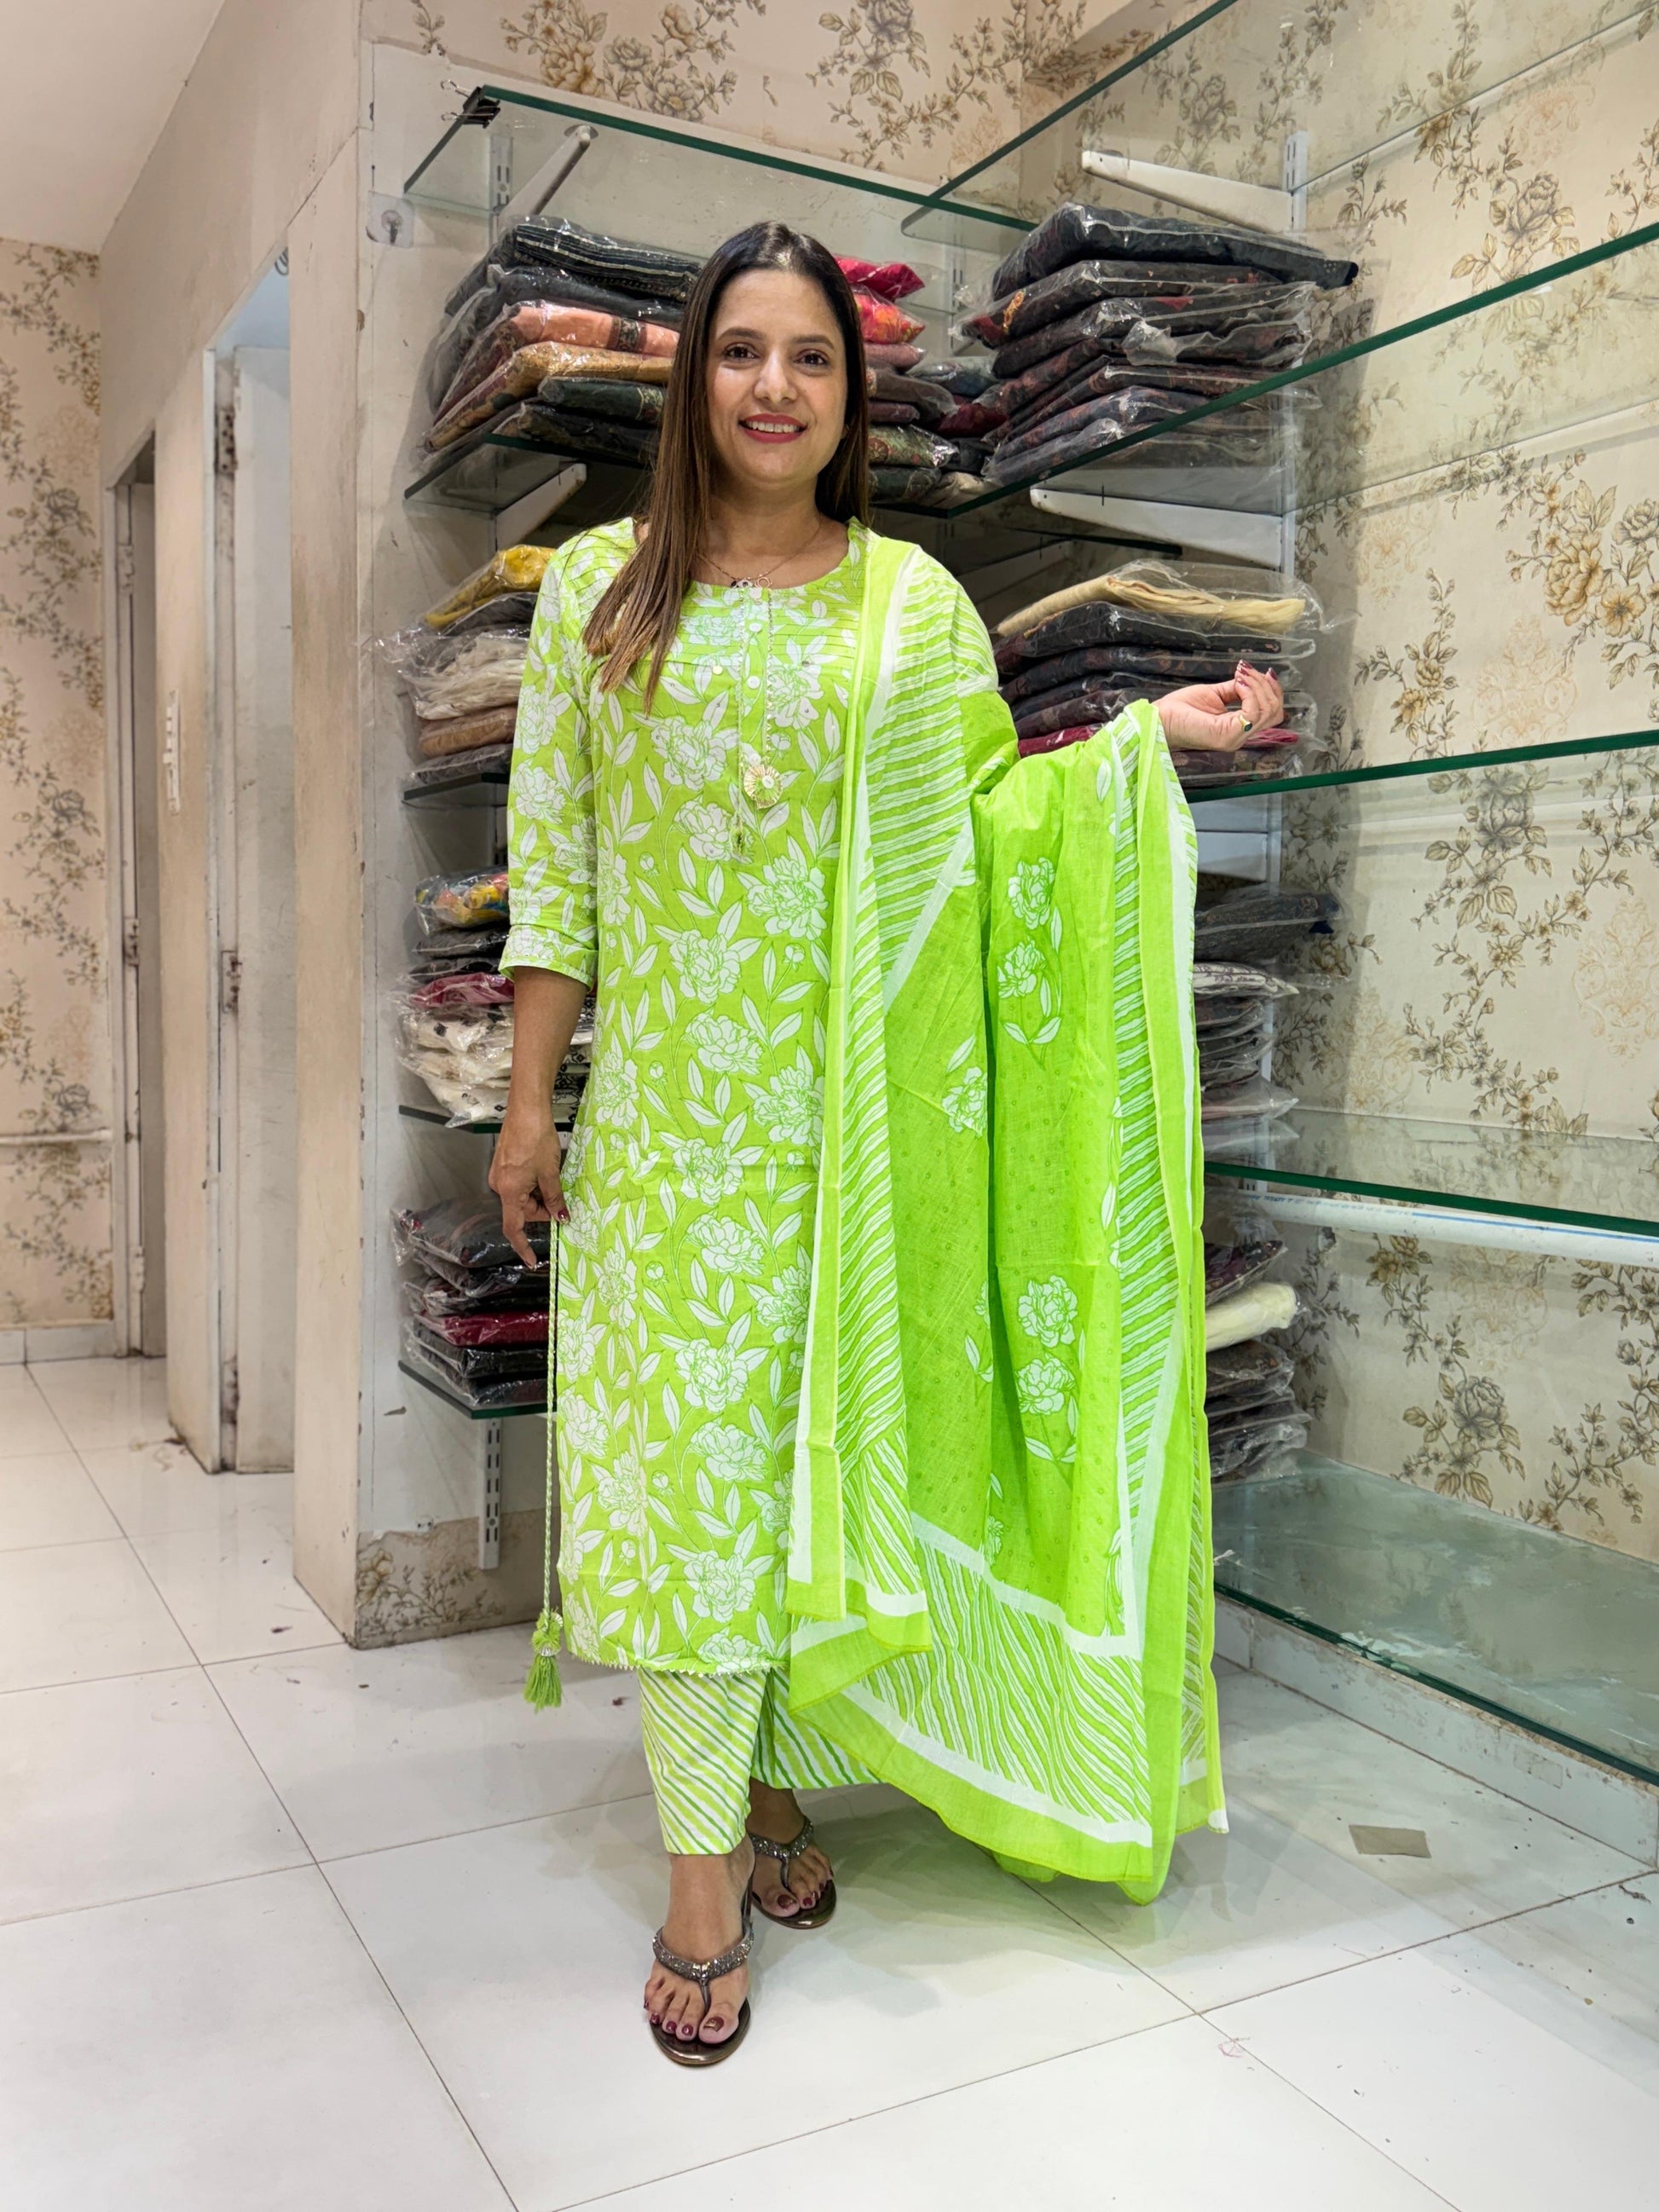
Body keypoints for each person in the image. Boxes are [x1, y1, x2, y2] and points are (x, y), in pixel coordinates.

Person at [489, 221, 1281, 2065]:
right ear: (692, 377)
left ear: (851, 395)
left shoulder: (909, 609)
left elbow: (982, 833)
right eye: (741, 350)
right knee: (686, 1493)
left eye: (811, 358)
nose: (773, 387)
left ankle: (766, 1779)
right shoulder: (598, 592)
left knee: (804, 1483)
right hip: (671, 1140)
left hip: (855, 1145)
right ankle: (701, 1878)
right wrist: (528, 1105)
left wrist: (1135, 744)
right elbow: (558, 877)